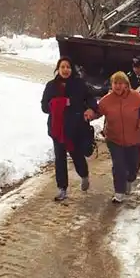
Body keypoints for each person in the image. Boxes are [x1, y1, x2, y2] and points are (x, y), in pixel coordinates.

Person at [85, 71, 140, 203]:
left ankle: (130, 179)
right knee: (118, 165)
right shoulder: (106, 100)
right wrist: (90, 114)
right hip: (114, 138)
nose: (118, 86)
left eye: (121, 83)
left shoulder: (135, 97)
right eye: (115, 83)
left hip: (133, 138)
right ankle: (119, 192)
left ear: (126, 85)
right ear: (111, 85)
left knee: (132, 166)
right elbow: (98, 113)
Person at [41, 56, 98, 201]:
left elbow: (90, 99)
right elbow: (44, 107)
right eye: (62, 67)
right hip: (57, 128)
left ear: (72, 69)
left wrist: (91, 109)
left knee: (76, 155)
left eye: (68, 67)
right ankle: (62, 189)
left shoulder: (79, 84)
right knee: (60, 158)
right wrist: (56, 104)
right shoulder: (51, 86)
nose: (65, 70)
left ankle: (84, 175)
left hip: (76, 127)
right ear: (58, 69)